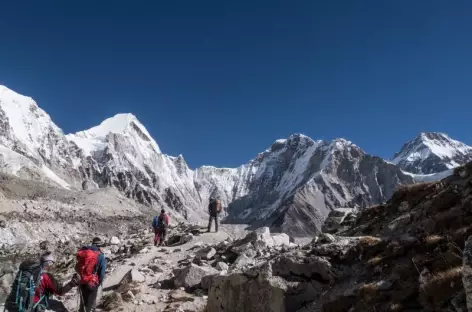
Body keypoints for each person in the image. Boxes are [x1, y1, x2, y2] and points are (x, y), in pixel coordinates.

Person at [4, 252, 79, 312]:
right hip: (33, 306)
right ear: (48, 263)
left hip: (16, 302)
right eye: (52, 263)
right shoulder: (46, 276)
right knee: (59, 305)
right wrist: (72, 283)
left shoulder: (26, 271)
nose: (52, 265)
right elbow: (60, 291)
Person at [76, 237, 107, 312]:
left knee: (83, 303)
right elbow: (102, 272)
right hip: (92, 282)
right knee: (91, 304)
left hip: (82, 281)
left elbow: (77, 267)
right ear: (99, 245)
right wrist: (99, 282)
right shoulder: (100, 256)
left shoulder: (84, 252)